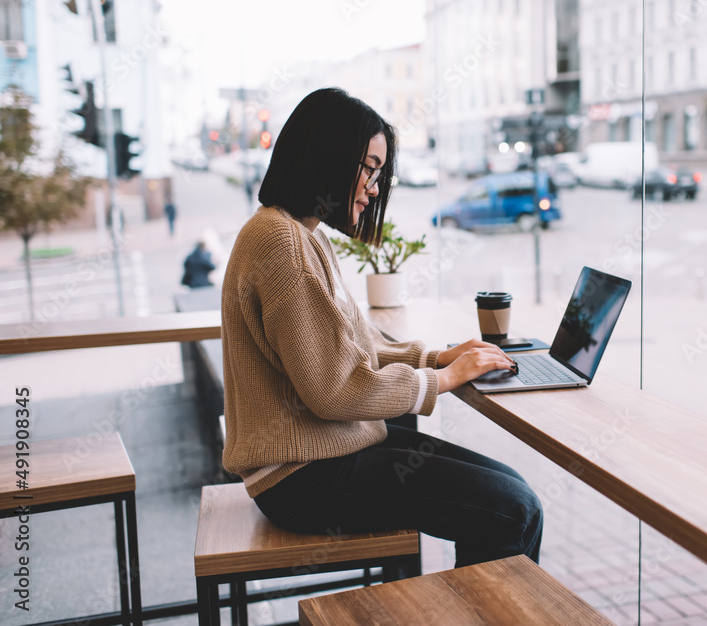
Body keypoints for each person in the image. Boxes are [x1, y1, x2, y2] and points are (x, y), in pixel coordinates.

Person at [220, 88, 542, 568]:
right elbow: (337, 389)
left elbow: (354, 346)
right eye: (369, 168)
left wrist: (436, 360)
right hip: (301, 476)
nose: (373, 187)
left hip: (322, 456)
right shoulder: (280, 242)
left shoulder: (300, 235)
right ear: (329, 155)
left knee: (515, 494)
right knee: (512, 510)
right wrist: (443, 380)